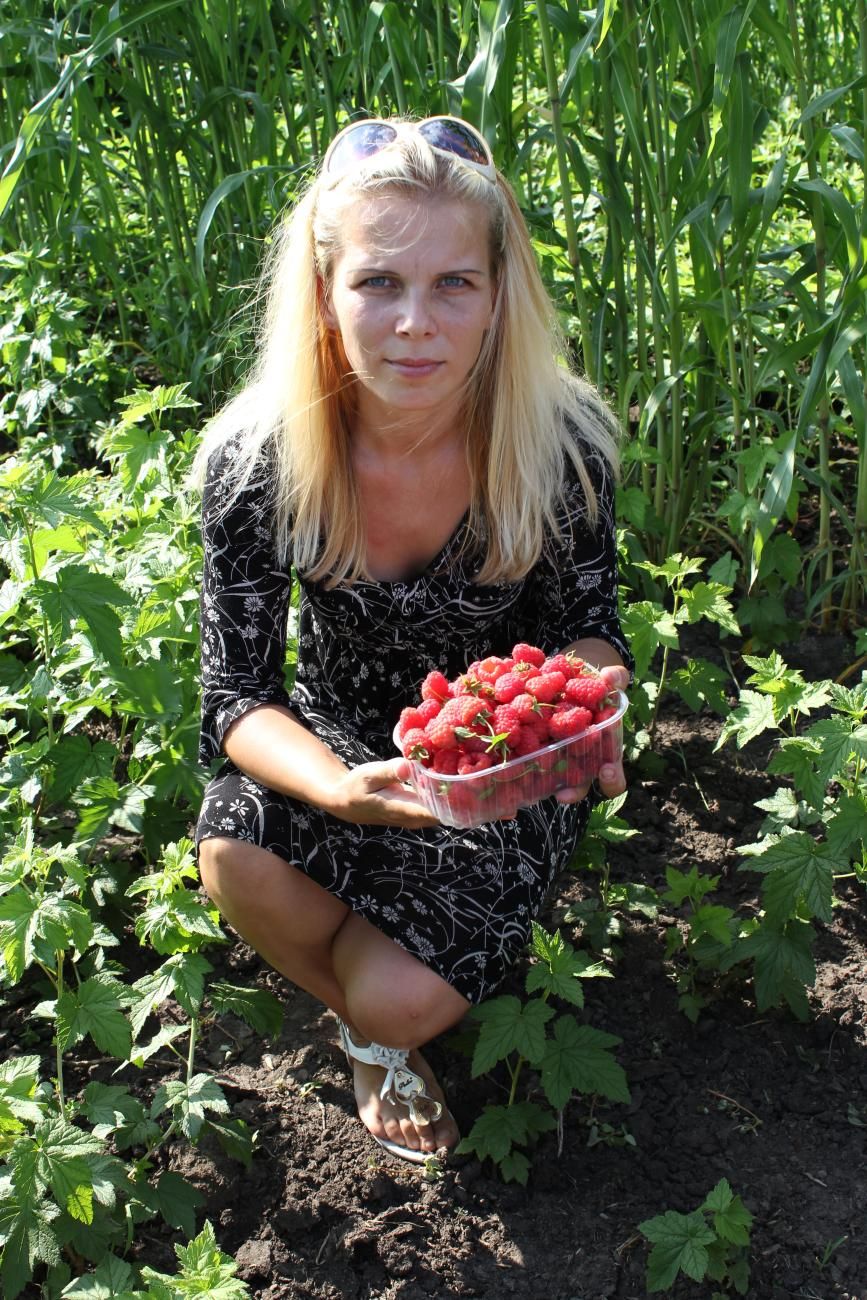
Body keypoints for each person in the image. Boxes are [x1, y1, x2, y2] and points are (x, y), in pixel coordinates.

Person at [193, 116, 632, 1163]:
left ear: (498, 293)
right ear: (327, 291)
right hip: (344, 736)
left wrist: (584, 703)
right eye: (380, 283)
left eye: (453, 285)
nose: (414, 326)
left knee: (394, 994)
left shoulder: (555, 446)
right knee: (234, 860)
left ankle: (375, 1006)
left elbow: (590, 628)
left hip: (498, 759)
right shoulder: (260, 462)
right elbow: (235, 698)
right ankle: (367, 1010)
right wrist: (336, 789)